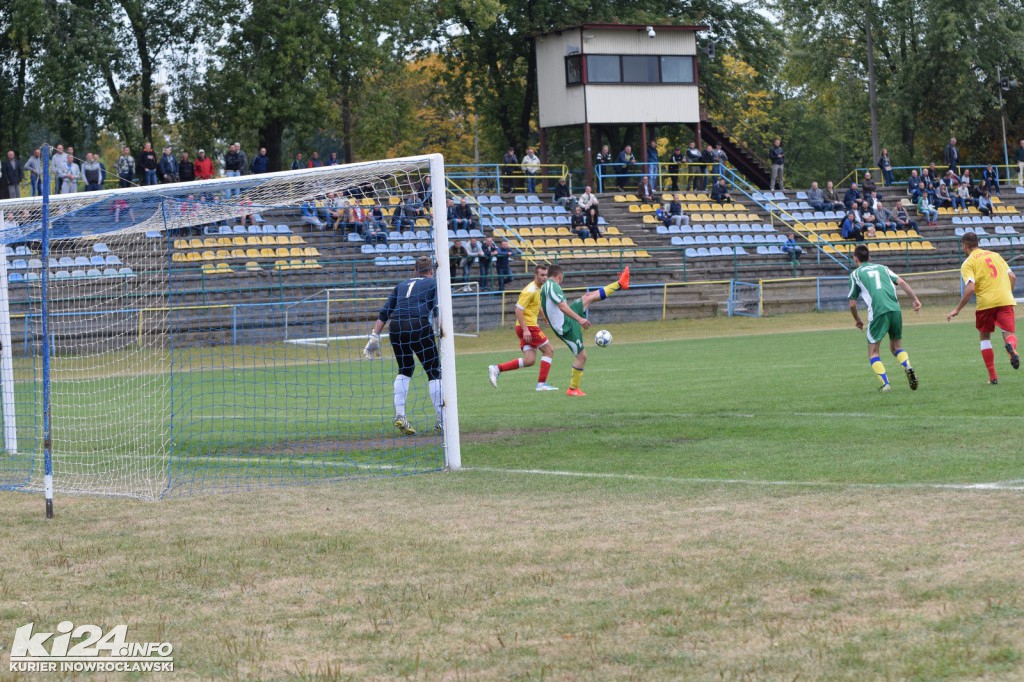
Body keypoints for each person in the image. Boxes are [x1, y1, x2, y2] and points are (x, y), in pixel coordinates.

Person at [362, 256, 444, 435]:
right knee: (434, 370)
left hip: (397, 326)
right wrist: (441, 333)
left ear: (415, 270)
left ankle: (400, 415)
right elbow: (437, 310)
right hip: (418, 324)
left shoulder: (401, 285)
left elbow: (385, 311)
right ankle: (441, 418)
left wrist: (374, 335)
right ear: (431, 271)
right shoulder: (433, 284)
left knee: (405, 369)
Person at [540, 265, 630, 396]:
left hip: (565, 319)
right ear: (560, 276)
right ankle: (572, 389)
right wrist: (579, 319)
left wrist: (546, 317)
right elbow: (562, 306)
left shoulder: (549, 286)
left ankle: (620, 284)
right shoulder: (551, 286)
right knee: (582, 357)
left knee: (588, 297)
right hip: (565, 327)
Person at [947, 232, 1019, 384]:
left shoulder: (968, 263)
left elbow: (970, 288)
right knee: (1009, 333)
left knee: (985, 338)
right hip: (1005, 299)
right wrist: (1007, 293)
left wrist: (957, 309)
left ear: (964, 245)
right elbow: (1012, 277)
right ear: (977, 243)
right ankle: (1011, 347)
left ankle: (993, 377)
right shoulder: (996, 255)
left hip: (986, 303)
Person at [848, 244, 921, 392]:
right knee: (896, 347)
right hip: (895, 309)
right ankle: (907, 366)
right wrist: (915, 299)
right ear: (869, 257)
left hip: (878, 312)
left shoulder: (855, 274)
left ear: (855, 259)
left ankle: (885, 384)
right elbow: (901, 282)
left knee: (873, 351)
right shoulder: (883, 268)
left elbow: (852, 304)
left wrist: (857, 319)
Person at [488, 264, 559, 391]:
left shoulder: (538, 288)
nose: (544, 278)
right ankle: (541, 385)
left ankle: (497, 368)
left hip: (525, 327)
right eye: (542, 275)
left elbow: (537, 305)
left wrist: (543, 317)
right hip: (528, 327)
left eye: (546, 275)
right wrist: (526, 329)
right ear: (535, 276)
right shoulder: (530, 290)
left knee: (530, 360)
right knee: (549, 350)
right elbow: (518, 310)